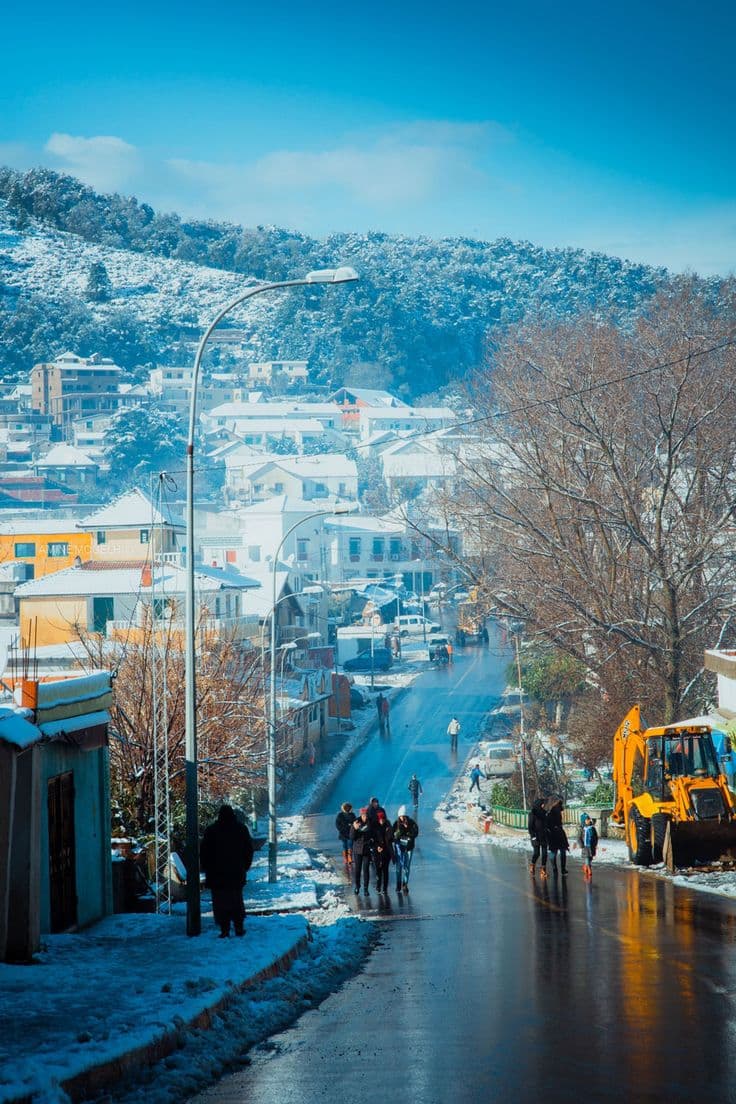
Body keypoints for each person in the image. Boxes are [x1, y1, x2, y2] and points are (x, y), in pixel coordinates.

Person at [199, 805, 254, 938]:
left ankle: (224, 930)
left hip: (217, 875)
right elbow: (249, 850)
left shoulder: (211, 830)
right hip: (236, 873)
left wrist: (207, 869)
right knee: (236, 901)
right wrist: (244, 867)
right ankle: (239, 927)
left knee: (220, 902)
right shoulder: (241, 829)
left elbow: (204, 853)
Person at [393, 805, 419, 891]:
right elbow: (394, 836)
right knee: (399, 866)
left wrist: (409, 835)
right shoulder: (396, 824)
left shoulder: (411, 823)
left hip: (409, 848)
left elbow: (415, 832)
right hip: (399, 848)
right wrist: (400, 830)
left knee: (407, 866)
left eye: (404, 816)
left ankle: (405, 884)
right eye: (401, 816)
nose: (402, 818)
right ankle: (398, 884)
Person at [350, 807, 375, 896]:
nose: (365, 817)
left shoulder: (370, 822)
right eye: (364, 815)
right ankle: (357, 886)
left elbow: (373, 834)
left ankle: (366, 889)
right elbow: (352, 837)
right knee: (358, 869)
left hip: (367, 849)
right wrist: (354, 828)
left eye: (366, 815)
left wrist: (373, 842)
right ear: (361, 815)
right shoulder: (356, 822)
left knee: (366, 869)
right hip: (358, 850)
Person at [546, 796, 569, 877]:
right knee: (555, 852)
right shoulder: (550, 814)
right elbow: (548, 826)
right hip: (554, 835)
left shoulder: (555, 812)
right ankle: (557, 868)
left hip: (559, 834)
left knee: (560, 851)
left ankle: (560, 868)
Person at [374, 809, 394, 893]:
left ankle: (385, 888)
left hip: (386, 851)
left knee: (385, 870)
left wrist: (388, 833)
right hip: (377, 852)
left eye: (383, 819)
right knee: (378, 869)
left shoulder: (388, 825)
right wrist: (377, 846)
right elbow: (373, 839)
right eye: (380, 819)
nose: (381, 821)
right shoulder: (375, 827)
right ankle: (378, 885)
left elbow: (391, 837)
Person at [528, 797, 548, 879]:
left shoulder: (544, 813)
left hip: (544, 836)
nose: (544, 805)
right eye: (543, 804)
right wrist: (533, 836)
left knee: (544, 854)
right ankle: (532, 864)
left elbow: (547, 824)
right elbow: (530, 826)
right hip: (536, 837)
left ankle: (543, 870)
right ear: (539, 804)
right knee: (537, 853)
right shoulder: (532, 813)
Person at [578, 814, 599, 880]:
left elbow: (596, 837)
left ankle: (585, 866)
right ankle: (589, 868)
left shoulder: (592, 828)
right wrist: (581, 845)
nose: (589, 820)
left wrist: (595, 844)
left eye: (589, 819)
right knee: (587, 857)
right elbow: (579, 838)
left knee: (590, 857)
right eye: (587, 819)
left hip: (591, 846)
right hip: (585, 846)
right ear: (584, 821)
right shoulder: (582, 829)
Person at [335, 801, 355, 866]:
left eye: (348, 807)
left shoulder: (352, 815)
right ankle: (345, 858)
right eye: (346, 807)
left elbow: (355, 823)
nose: (347, 809)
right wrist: (342, 829)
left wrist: (353, 828)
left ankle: (350, 858)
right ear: (343, 808)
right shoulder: (340, 815)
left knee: (350, 846)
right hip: (343, 834)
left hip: (350, 833)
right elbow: (337, 824)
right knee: (345, 846)